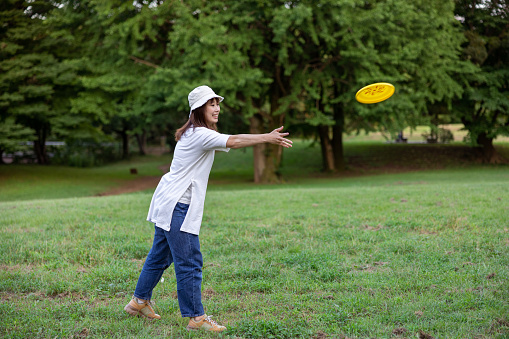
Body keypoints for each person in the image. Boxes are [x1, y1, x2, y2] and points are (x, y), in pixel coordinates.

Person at [124, 85, 292, 332]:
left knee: (159, 255)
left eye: (217, 103)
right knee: (190, 260)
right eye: (210, 104)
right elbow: (233, 141)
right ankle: (196, 318)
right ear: (198, 109)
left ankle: (138, 302)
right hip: (178, 206)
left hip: (168, 202)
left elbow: (229, 139)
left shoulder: (194, 133)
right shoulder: (199, 134)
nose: (216, 108)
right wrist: (267, 137)